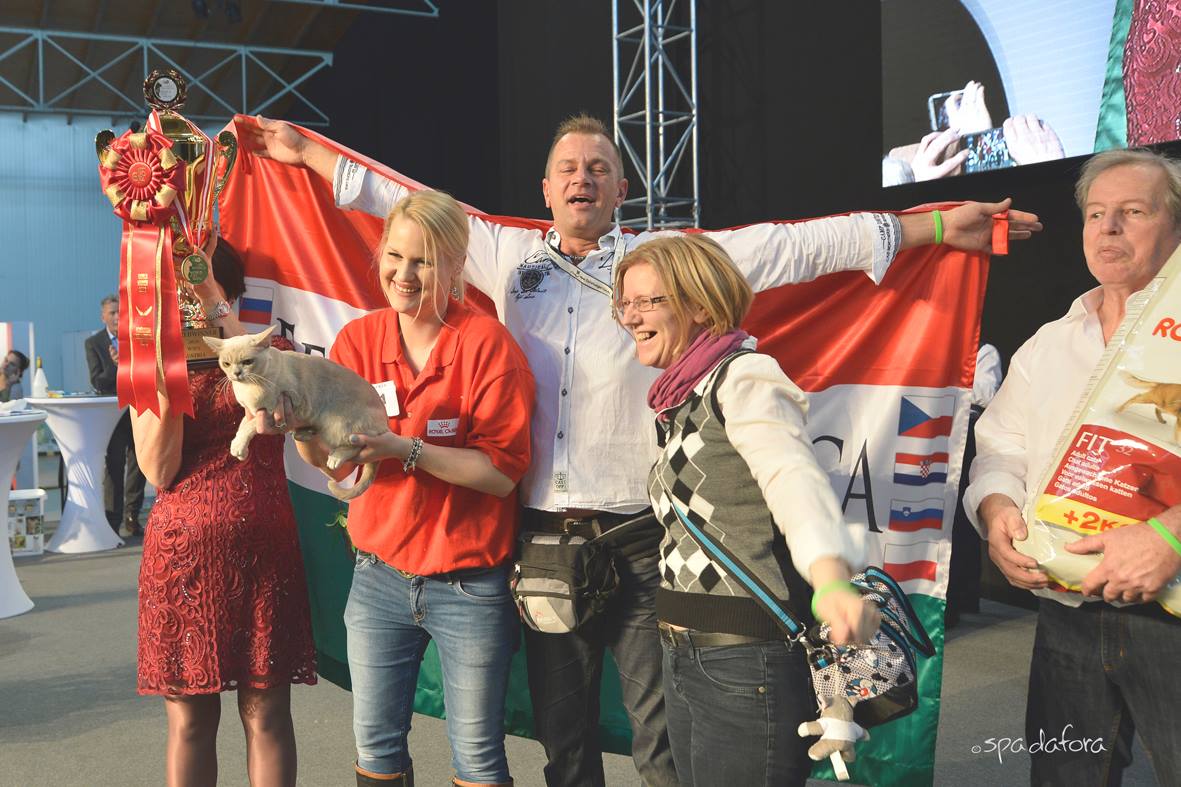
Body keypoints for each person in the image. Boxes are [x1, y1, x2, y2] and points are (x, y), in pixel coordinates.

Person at [250, 112, 1040, 787]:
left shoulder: (661, 264)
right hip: (543, 540)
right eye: (567, 168)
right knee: (564, 743)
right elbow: (411, 209)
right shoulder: (504, 254)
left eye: (599, 167)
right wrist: (306, 152)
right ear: (545, 188)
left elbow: (792, 247)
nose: (582, 177)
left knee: (659, 738)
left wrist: (936, 227)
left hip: (640, 540)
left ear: (621, 188)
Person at [262, 190, 535, 787]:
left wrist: (404, 450)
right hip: (378, 577)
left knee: (477, 755)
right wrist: (301, 431)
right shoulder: (357, 342)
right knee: (376, 750)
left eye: (423, 261)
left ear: (456, 267)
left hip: (470, 585)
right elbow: (335, 466)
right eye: (394, 256)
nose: (403, 274)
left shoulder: (487, 346)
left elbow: (501, 474)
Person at [615, 234, 878, 785]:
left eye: (648, 301)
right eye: (625, 303)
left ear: (700, 305)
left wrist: (830, 578)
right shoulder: (680, 396)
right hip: (682, 648)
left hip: (742, 658)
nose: (631, 317)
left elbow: (792, 478)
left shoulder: (744, 377)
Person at [965, 148, 1181, 784]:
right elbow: (1001, 446)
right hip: (1068, 613)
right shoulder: (1051, 343)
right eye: (1096, 214)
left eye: (1133, 212)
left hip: (1172, 612)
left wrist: (1170, 536)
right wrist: (997, 510)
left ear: (1175, 225)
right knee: (1065, 775)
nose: (1108, 228)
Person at [130, 238, 317, 787]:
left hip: (263, 549)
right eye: (179, 293)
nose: (189, 305)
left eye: (202, 289)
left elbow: (278, 392)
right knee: (190, 721)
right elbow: (159, 470)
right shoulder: (148, 363)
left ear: (230, 290)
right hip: (182, 559)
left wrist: (208, 295)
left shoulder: (270, 351)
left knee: (267, 713)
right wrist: (169, 374)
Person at [85, 295, 147, 537]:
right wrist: (116, 366)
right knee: (114, 466)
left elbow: (145, 371)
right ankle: (113, 521)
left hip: (138, 410)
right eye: (112, 313)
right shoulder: (94, 343)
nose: (117, 317)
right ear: (103, 317)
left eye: (120, 312)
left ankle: (132, 516)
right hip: (113, 416)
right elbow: (98, 382)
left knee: (139, 464)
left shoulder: (137, 338)